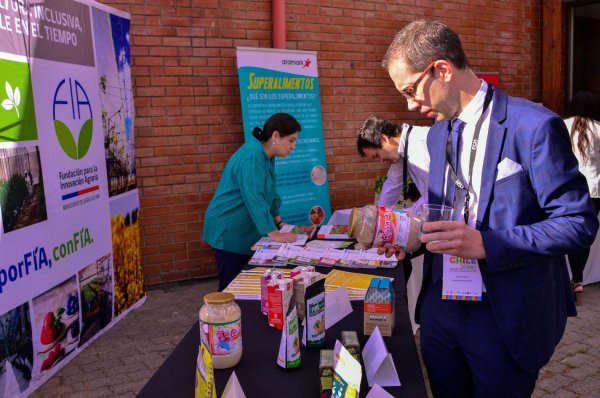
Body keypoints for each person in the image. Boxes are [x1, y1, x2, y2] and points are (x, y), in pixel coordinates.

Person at [380, 20, 598, 397]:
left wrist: (487, 244)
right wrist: (409, 234)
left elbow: (577, 222)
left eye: (411, 90)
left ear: (442, 70)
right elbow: (444, 210)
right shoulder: (437, 133)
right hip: (440, 312)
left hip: (504, 317)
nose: (410, 104)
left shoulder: (534, 126)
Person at [203, 113, 301, 291]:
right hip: (228, 230)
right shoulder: (253, 155)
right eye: (291, 140)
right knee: (232, 289)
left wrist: (277, 221)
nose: (293, 146)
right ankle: (224, 318)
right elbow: (254, 197)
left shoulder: (266, 156)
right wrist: (273, 233)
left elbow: (269, 192)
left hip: (242, 231)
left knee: (246, 286)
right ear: (276, 136)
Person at [357, 116, 430, 283]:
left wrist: (405, 220)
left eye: (377, 155)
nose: (382, 161)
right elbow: (392, 184)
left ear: (384, 138)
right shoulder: (402, 150)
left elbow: (437, 193)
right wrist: (377, 220)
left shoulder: (419, 145)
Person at [564, 91, 600, 302]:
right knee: (585, 233)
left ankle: (576, 279)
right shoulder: (599, 129)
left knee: (573, 231)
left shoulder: (562, 124)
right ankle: (578, 279)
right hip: (595, 189)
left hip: (571, 187)